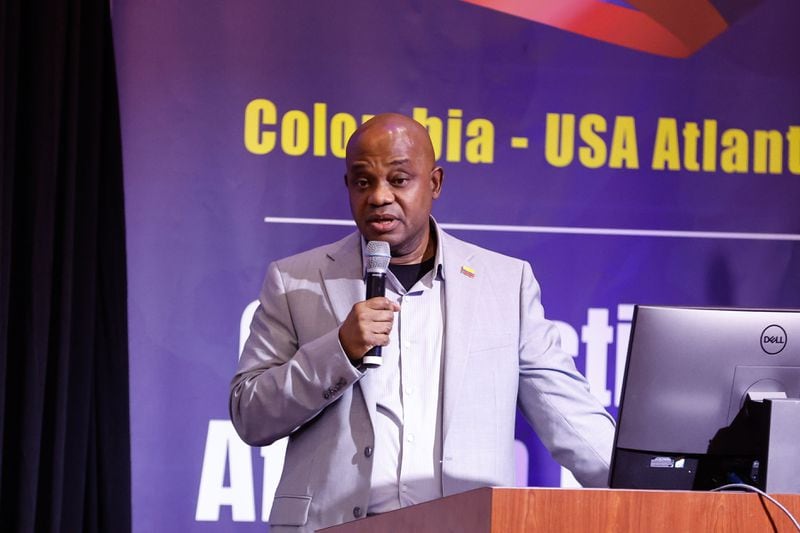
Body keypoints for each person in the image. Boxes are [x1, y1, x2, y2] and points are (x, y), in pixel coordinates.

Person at [230, 113, 615, 532]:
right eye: (363, 182)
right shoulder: (294, 280)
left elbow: (569, 416)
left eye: (398, 180)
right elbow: (252, 415)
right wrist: (339, 350)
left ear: (434, 183)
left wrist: (665, 488)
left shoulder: (506, 285)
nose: (379, 196)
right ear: (348, 188)